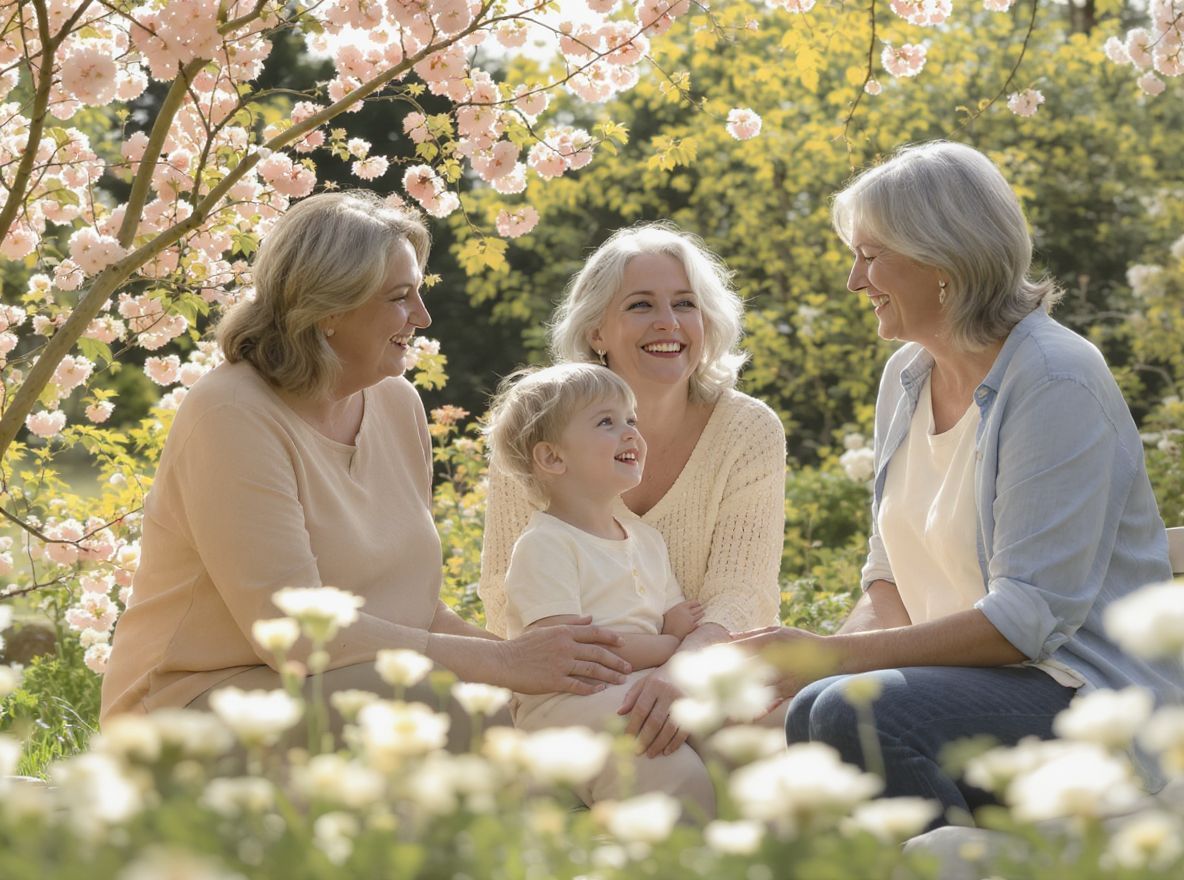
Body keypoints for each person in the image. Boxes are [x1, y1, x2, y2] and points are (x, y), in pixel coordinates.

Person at [734, 141, 1184, 826]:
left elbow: (1026, 621)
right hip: (968, 690)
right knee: (800, 721)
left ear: (941, 258)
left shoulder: (1055, 377)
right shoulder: (906, 377)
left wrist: (832, 660)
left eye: (871, 255)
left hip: (1083, 693)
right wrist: (809, 668)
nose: (856, 280)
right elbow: (886, 575)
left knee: (846, 716)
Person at [100, 191, 633, 747]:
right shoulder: (232, 414)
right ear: (329, 307)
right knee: (456, 708)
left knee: (544, 707)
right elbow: (292, 633)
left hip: (341, 685)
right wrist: (502, 662)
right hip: (191, 707)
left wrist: (545, 670)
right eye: (400, 297)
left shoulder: (396, 401)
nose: (422, 318)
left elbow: (416, 610)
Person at [479, 222, 788, 759]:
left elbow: (741, 595)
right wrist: (641, 678)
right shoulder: (541, 432)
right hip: (579, 686)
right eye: (641, 305)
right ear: (597, 330)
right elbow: (509, 598)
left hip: (711, 665)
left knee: (804, 721)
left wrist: (680, 672)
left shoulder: (748, 429)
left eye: (685, 304)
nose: (668, 323)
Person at [485, 362, 714, 815]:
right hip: (568, 702)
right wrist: (670, 645)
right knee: (670, 774)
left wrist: (672, 635)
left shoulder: (645, 539)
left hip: (634, 684)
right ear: (552, 458)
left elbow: (671, 615)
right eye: (607, 422)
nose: (631, 433)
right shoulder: (545, 544)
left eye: (631, 420)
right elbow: (572, 654)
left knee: (736, 735)